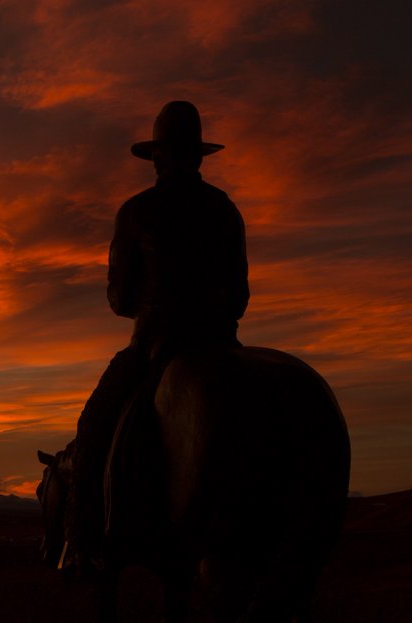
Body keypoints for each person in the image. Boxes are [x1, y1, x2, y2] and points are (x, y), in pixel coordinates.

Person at [65, 100, 250, 573]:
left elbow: (122, 301)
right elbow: (240, 296)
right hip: (221, 342)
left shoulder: (137, 212)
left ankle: (83, 543)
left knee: (93, 428)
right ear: (199, 157)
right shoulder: (225, 210)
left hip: (155, 346)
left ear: (158, 157)